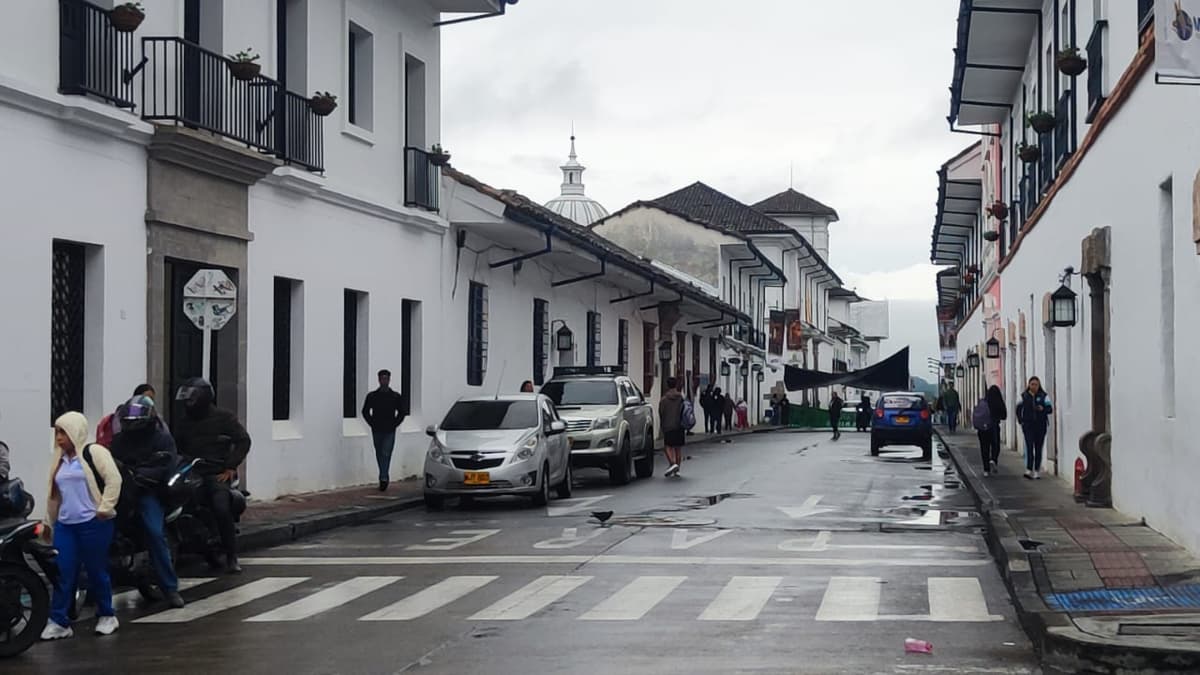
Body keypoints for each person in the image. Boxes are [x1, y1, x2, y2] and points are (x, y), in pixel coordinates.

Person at [41, 411, 123, 640]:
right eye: (57, 432)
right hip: (67, 526)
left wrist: (104, 508)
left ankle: (107, 614)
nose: (59, 438)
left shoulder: (94, 452)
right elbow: (54, 494)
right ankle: (59, 620)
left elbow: (113, 480)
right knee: (62, 573)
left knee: (97, 570)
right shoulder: (58, 460)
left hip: (93, 524)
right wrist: (49, 522)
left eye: (63, 432)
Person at [109, 396, 184, 608]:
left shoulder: (161, 439)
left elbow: (165, 465)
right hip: (121, 492)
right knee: (100, 529)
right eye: (128, 420)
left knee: (154, 532)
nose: (131, 424)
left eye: (136, 420)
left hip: (147, 491)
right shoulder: (118, 441)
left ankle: (170, 588)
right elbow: (107, 462)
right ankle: (93, 587)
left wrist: (141, 475)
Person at [173, 378, 251, 574]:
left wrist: (230, 466)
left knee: (221, 507)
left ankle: (232, 556)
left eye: (192, 399)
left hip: (215, 473)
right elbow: (175, 446)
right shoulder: (184, 422)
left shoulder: (224, 418)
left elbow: (243, 440)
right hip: (190, 471)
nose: (188, 404)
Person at [362, 369, 406, 491]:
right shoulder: (372, 396)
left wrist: (395, 424)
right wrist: (372, 423)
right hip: (377, 429)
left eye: (386, 378)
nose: (384, 381)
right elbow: (365, 411)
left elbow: (402, 412)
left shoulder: (395, 396)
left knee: (386, 452)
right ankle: (383, 474)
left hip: (389, 430)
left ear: (389, 380)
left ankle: (383, 477)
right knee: (379, 453)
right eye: (382, 378)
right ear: (379, 380)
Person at [1017, 376, 1053, 479]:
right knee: (1029, 446)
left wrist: (1043, 409)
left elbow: (1050, 409)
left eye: (1036, 384)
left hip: (1040, 425)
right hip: (1028, 425)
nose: (1034, 386)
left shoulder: (1043, 396)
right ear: (1029, 385)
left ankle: (1037, 470)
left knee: (1038, 448)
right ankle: (1028, 469)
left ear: (1039, 385)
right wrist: (1021, 421)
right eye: (1032, 384)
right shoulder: (1023, 396)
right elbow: (1018, 409)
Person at [659, 378, 685, 477]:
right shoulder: (680, 397)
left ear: (667, 385)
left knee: (668, 447)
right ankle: (677, 469)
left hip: (668, 425)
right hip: (679, 425)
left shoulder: (664, 399)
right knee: (678, 448)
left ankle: (672, 463)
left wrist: (662, 423)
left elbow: (661, 412)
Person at [984, 384, 1008, 475]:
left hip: (984, 427)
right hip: (994, 426)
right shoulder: (999, 402)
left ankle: (986, 470)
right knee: (995, 445)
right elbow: (1004, 416)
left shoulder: (985, 401)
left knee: (985, 448)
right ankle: (993, 459)